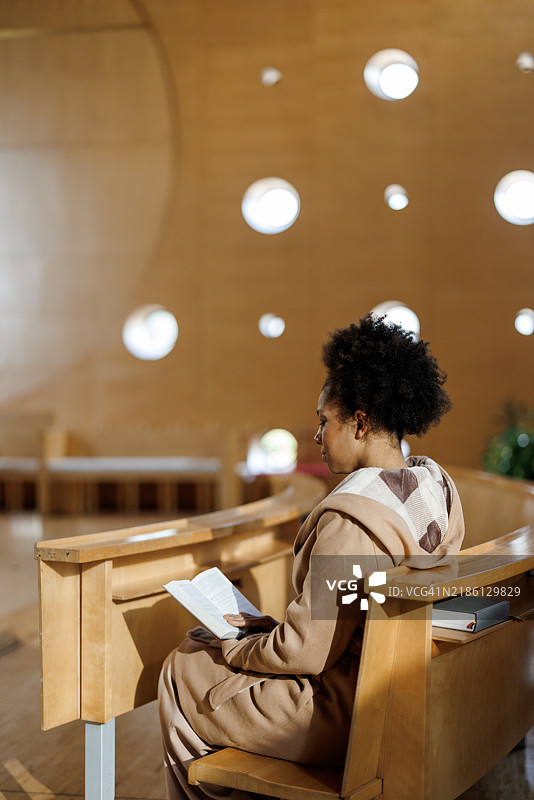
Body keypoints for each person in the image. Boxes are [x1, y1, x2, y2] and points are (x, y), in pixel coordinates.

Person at [158, 314, 465, 800]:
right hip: (411, 690)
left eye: (325, 421)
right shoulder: (436, 486)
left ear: (360, 422)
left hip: (352, 711)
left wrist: (235, 645)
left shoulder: (353, 517)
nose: (318, 436)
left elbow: (306, 651)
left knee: (184, 664)